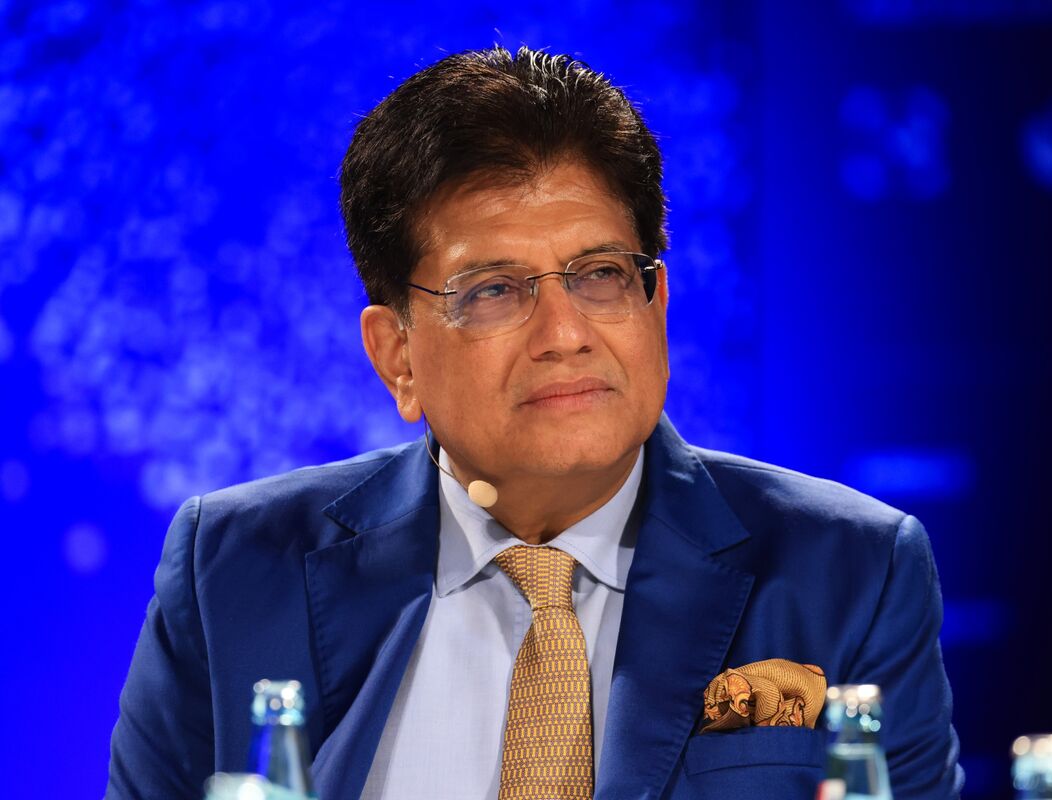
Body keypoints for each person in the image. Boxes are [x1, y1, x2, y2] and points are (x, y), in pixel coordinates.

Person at [107, 46, 964, 800]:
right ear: (396, 354)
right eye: (493, 290)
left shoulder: (850, 570)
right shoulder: (233, 571)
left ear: (656, 302)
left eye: (601, 274)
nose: (565, 334)